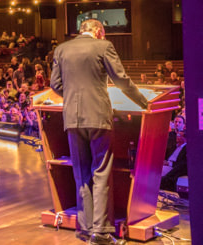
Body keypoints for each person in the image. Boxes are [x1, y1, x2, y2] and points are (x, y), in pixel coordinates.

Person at [50, 19, 148, 245]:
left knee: (81, 174)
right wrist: (143, 102)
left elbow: (55, 84)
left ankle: (85, 229)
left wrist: (75, 98)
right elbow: (121, 80)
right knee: (101, 172)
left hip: (72, 119)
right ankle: (102, 233)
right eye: (102, 34)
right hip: (98, 117)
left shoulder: (61, 49)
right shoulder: (104, 46)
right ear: (98, 31)